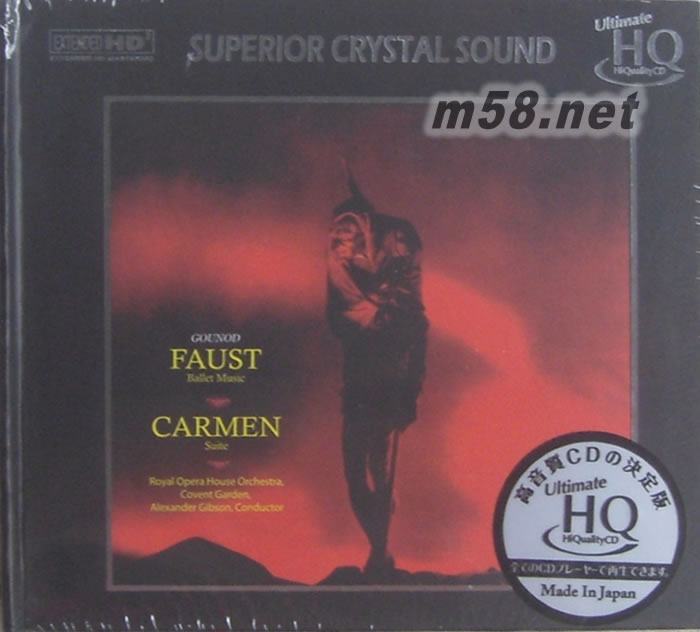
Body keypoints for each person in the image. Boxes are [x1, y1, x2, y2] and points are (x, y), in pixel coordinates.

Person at [326, 173, 428, 578]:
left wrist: (410, 395)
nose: (342, 241)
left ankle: (380, 553)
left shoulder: (398, 272)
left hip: (387, 389)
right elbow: (344, 315)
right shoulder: (350, 275)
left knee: (379, 473)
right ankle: (379, 549)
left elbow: (415, 331)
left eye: (350, 233)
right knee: (357, 475)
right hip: (359, 387)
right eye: (338, 235)